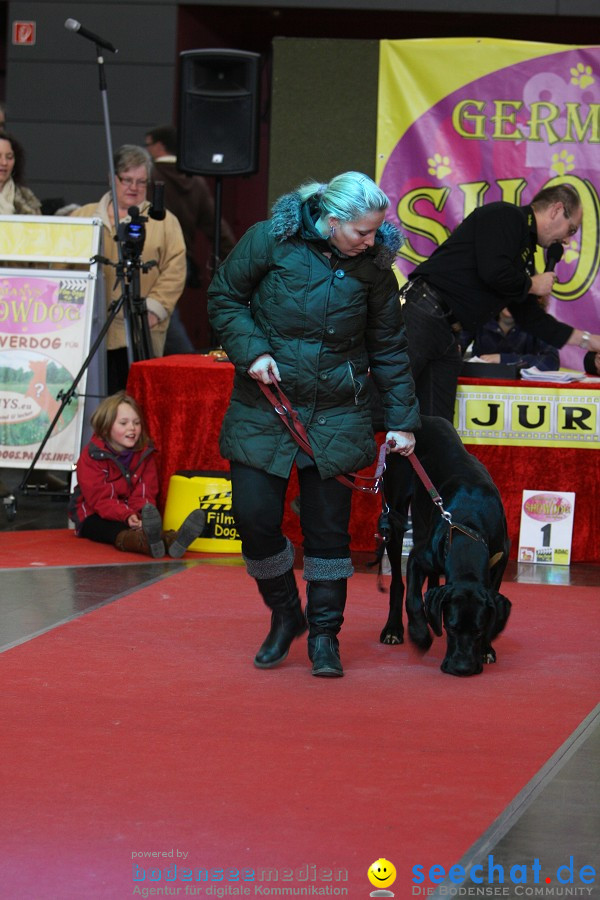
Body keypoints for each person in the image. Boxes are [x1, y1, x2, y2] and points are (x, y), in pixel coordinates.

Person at [207, 171, 420, 678]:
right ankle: (286, 613)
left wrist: (402, 422)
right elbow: (224, 297)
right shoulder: (270, 240)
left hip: (338, 414)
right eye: (363, 232)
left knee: (328, 535)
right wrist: (251, 350)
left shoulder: (374, 272)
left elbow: (389, 349)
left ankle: (326, 636)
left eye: (376, 232)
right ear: (331, 219)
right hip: (265, 406)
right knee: (254, 520)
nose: (373, 241)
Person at [401, 183, 600, 420]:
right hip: (425, 311)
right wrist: (533, 284)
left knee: (438, 421)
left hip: (447, 329)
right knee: (390, 399)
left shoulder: (524, 253)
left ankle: (429, 457)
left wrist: (588, 341)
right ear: (556, 210)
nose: (567, 241)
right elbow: (494, 271)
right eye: (571, 229)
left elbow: (530, 318)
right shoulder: (507, 216)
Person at [71, 145, 186, 393]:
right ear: (112, 178)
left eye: (141, 182)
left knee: (136, 399)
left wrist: (155, 309)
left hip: (141, 327)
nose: (134, 187)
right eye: (127, 180)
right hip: (89, 331)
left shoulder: (164, 221)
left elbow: (175, 269)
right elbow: (64, 267)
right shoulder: (82, 216)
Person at [68, 391, 206, 558]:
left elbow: (145, 492)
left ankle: (173, 540)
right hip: (93, 514)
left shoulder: (144, 455)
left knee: (145, 525)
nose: (132, 428)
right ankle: (148, 543)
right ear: (106, 426)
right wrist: (127, 516)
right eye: (123, 423)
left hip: (129, 514)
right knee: (108, 528)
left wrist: (141, 516)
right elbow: (101, 500)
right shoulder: (92, 456)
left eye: (136, 423)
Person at [460, 307, 559, 371]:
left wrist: (504, 359)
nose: (512, 300)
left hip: (523, 393)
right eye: (507, 293)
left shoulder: (542, 322)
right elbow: (454, 350)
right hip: (479, 389)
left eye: (519, 295)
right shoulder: (478, 317)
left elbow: (551, 362)